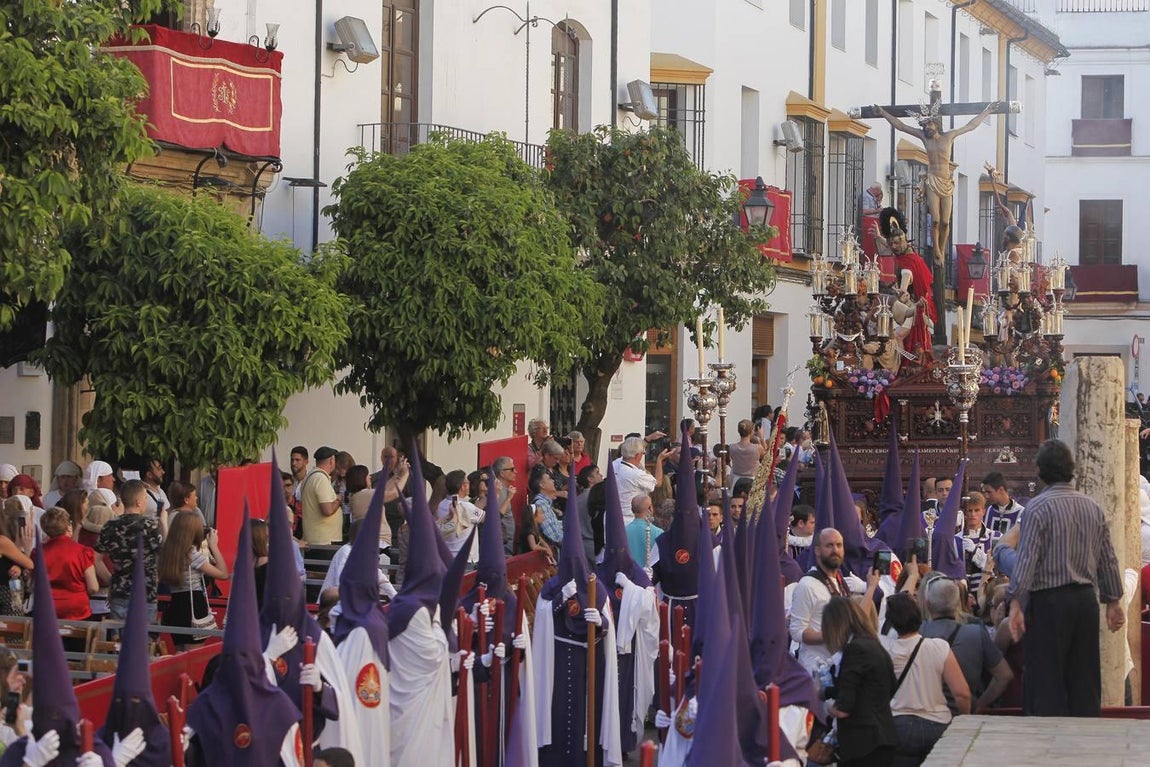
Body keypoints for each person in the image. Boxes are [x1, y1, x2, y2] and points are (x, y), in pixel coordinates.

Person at [1006, 439, 1125, 717]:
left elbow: (1027, 560)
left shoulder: (1037, 508)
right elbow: (1107, 558)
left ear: (1041, 471)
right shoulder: (1092, 507)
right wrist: (1114, 601)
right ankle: (1084, 747)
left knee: (1046, 680)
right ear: (1071, 470)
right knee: (1084, 678)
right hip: (1085, 601)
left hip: (1049, 603)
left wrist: (1015, 602)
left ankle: (1048, 748)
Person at [873, 98, 997, 265]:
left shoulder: (949, 136)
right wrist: (882, 112)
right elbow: (901, 126)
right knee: (936, 220)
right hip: (932, 181)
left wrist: (987, 111)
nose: (926, 128)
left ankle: (942, 245)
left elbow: (971, 125)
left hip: (947, 182)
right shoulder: (925, 138)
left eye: (928, 125)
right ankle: (937, 250)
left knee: (946, 222)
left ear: (936, 124)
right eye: (924, 126)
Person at [881, 592, 970, 766]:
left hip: (898, 725)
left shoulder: (884, 649)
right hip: (937, 724)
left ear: (892, 622)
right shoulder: (939, 647)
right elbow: (962, 693)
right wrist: (965, 720)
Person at [920, 577, 1013, 714]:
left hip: (925, 713)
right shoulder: (975, 633)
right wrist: (980, 704)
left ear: (927, 604)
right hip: (963, 713)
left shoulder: (917, 633)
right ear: (957, 603)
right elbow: (1004, 675)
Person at [823, 596, 896, 767]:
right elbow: (890, 685)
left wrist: (824, 704)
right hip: (884, 737)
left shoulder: (854, 650)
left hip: (862, 744)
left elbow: (843, 708)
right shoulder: (875, 645)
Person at [159, 511, 230, 649]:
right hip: (194, 605)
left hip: (176, 606)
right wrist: (214, 546)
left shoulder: (168, 552)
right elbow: (223, 574)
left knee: (180, 654)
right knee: (192, 655)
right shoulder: (191, 554)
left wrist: (163, 522)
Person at [97, 480, 163, 622]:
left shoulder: (110, 526)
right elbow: (162, 556)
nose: (146, 502)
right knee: (143, 640)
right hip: (145, 593)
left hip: (119, 593)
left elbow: (95, 559)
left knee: (119, 642)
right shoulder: (149, 525)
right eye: (145, 498)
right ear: (139, 502)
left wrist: (112, 581)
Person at [876, 208, 936, 361]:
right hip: (915, 304)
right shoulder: (909, 253)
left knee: (896, 336)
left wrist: (901, 292)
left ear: (902, 241)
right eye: (891, 244)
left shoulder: (907, 265)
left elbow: (905, 282)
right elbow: (893, 245)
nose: (893, 247)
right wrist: (878, 237)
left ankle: (901, 362)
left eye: (896, 243)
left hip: (913, 307)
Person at [790, 528, 849, 674]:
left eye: (839, 545)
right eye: (829, 545)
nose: (835, 549)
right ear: (817, 550)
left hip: (838, 666)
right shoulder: (807, 585)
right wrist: (833, 635)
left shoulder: (841, 581)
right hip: (816, 670)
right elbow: (797, 631)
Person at [41, 508, 98, 629]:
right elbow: (93, 587)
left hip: (47, 607)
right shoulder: (82, 551)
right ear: (67, 526)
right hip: (77, 608)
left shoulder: (39, 552)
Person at [301, 446, 342, 545]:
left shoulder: (309, 477)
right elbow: (327, 510)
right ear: (332, 461)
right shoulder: (320, 478)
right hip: (324, 540)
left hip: (314, 538)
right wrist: (338, 500)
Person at [624, 493, 662, 570]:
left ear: (632, 510)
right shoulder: (659, 533)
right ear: (650, 508)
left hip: (629, 577)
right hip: (651, 578)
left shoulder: (623, 532)